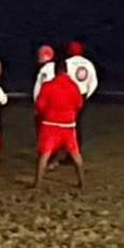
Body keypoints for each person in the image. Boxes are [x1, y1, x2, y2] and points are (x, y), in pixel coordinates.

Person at [34, 59, 85, 190]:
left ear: (55, 71)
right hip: (68, 124)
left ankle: (38, 184)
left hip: (50, 124)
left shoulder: (48, 86)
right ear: (67, 71)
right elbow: (79, 104)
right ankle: (82, 182)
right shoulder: (74, 86)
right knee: (75, 154)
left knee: (45, 154)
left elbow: (40, 105)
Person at [65, 40, 98, 155]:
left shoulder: (66, 63)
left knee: (64, 123)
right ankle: (75, 150)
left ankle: (66, 149)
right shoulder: (88, 64)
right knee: (77, 124)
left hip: (67, 97)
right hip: (81, 95)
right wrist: (86, 96)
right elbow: (94, 83)